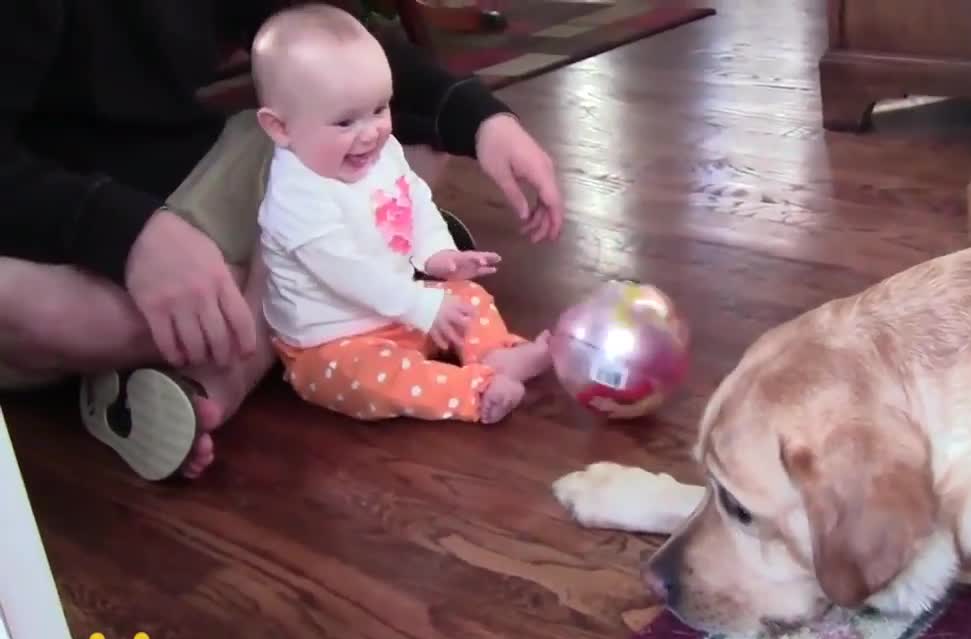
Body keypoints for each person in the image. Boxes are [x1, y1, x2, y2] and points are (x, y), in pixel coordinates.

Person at [0, 1, 564, 481]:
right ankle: (237, 335)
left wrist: (482, 119)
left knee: (398, 139)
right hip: (47, 232)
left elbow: (323, 46)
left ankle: (213, 363)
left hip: (193, 172)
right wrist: (125, 233)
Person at [252, 4, 551, 425]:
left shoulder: (379, 152)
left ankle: (497, 354)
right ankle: (476, 392)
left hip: (401, 310)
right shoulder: (296, 197)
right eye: (344, 121)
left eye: (380, 109)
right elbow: (349, 274)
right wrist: (420, 306)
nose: (372, 131)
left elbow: (412, 203)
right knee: (378, 379)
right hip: (334, 342)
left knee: (468, 297)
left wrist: (437, 256)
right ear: (280, 128)